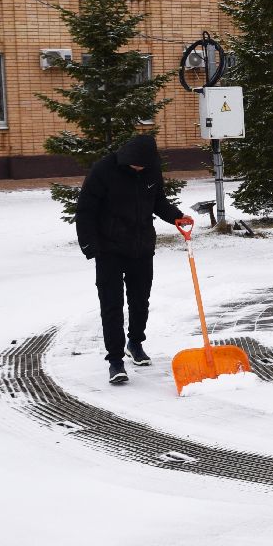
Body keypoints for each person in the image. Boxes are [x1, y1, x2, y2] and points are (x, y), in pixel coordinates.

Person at [76, 134, 189, 384]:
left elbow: (157, 201)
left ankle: (135, 343)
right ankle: (115, 361)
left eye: (143, 165)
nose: (138, 168)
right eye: (134, 164)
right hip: (109, 249)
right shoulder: (103, 170)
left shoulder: (151, 170)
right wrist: (89, 246)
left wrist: (177, 216)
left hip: (141, 247)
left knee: (140, 300)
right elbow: (85, 210)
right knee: (112, 304)